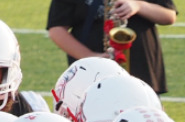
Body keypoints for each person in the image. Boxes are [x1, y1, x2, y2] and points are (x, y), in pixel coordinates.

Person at [46, 0, 177, 93]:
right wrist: (91, 57)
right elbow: (57, 30)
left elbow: (169, 15)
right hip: (91, 73)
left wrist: (138, 5)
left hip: (141, 67)